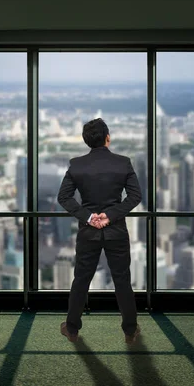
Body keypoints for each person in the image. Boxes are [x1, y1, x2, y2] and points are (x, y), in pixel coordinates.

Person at [56, 118, 142, 344]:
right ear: (108, 137)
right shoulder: (123, 163)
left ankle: (72, 329)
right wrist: (111, 215)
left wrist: (89, 216)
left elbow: (63, 197)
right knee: (122, 280)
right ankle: (130, 331)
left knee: (81, 280)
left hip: (88, 231)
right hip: (116, 231)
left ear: (86, 141)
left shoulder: (76, 165)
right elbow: (135, 196)